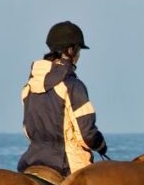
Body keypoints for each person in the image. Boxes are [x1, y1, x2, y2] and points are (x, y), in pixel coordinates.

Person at [18, 21, 107, 176]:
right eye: (78, 50)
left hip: (31, 159)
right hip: (67, 164)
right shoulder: (73, 86)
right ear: (71, 50)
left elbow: (27, 130)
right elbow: (86, 134)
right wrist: (100, 145)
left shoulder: (29, 87)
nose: (79, 55)